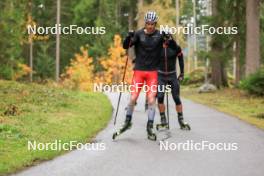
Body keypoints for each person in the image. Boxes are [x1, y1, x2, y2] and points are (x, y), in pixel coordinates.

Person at [113, 11, 164, 141]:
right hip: (139, 72)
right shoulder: (139, 34)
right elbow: (126, 46)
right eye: (148, 23)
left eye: (152, 24)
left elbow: (172, 47)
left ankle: (150, 127)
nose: (150, 26)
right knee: (133, 98)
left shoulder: (160, 35)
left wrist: (169, 37)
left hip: (153, 73)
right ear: (145, 23)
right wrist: (128, 37)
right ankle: (127, 122)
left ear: (155, 24)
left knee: (152, 100)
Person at [156, 33, 191, 130]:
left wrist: (182, 73)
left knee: (176, 98)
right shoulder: (157, 47)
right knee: (160, 97)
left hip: (172, 75)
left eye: (168, 37)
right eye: (164, 37)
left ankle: (181, 120)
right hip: (160, 76)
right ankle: (163, 119)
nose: (166, 39)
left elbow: (180, 60)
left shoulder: (176, 47)